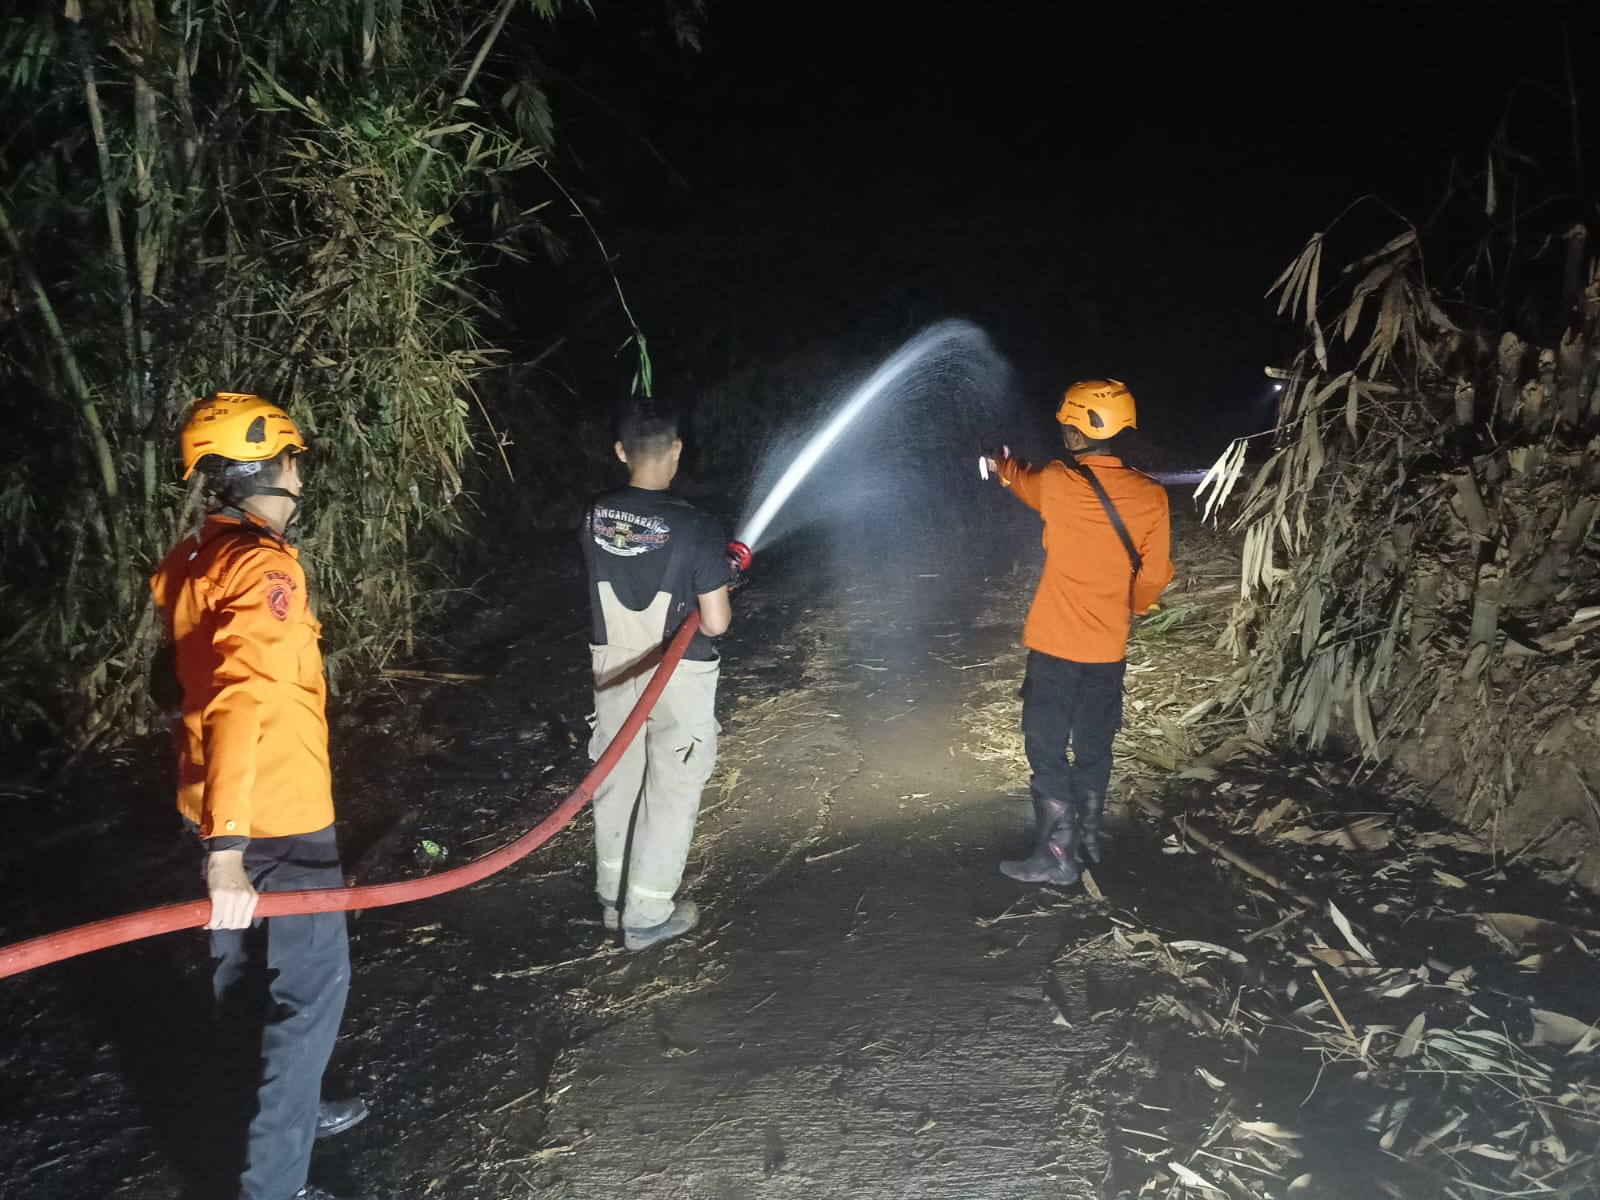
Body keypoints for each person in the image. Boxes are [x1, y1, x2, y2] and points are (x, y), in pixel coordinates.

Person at [150, 392, 366, 1200]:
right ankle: (274, 1184)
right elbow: (241, 696)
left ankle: (290, 1113)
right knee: (308, 999)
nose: (300, 468)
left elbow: (173, 681)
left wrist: (216, 832)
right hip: (275, 820)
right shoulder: (265, 566)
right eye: (293, 455)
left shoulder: (195, 557)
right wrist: (230, 851)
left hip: (213, 802)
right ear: (269, 464)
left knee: (239, 981)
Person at [984, 379, 1174, 885]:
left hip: (1055, 646)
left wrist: (1001, 466)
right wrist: (1129, 607)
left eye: (1066, 425)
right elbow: (1154, 577)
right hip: (1108, 649)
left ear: (1076, 432)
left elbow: (1020, 481)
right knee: (1095, 743)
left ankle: (1056, 857)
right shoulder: (1152, 496)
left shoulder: (1058, 483)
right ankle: (1089, 841)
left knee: (1046, 745)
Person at [581, 399, 732, 950]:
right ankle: (646, 915)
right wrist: (721, 572)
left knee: (616, 778)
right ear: (676, 449)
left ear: (621, 452)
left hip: (614, 670)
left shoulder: (595, 514)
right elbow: (713, 623)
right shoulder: (697, 525)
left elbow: (632, 555)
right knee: (672, 786)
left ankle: (611, 896)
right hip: (679, 676)